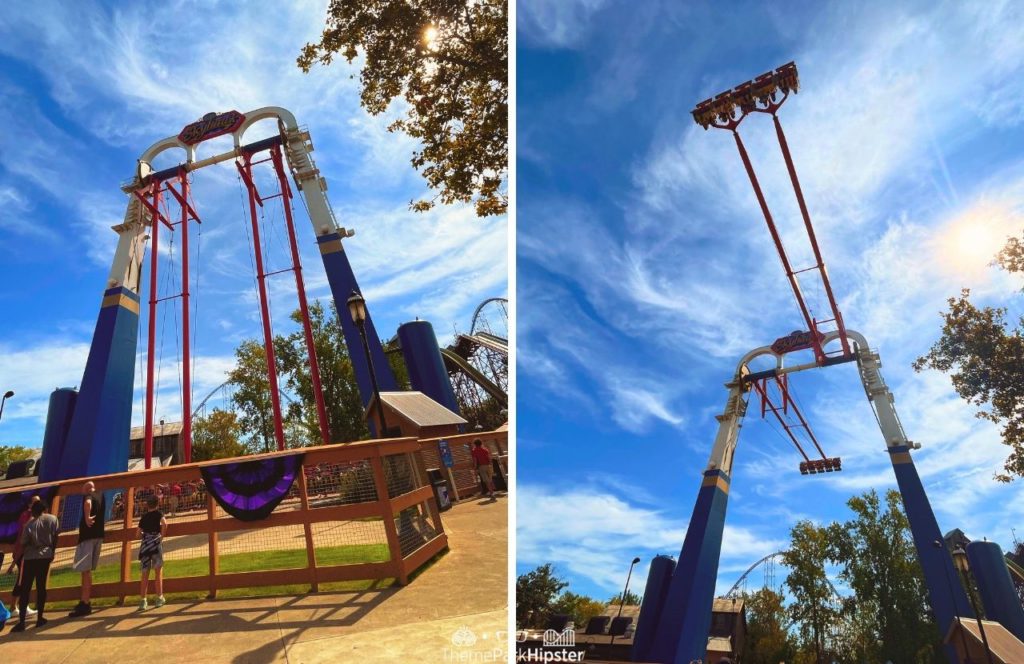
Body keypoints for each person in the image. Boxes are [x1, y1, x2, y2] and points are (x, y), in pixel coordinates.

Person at [12, 500, 58, 632]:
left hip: (30, 557)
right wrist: (52, 551)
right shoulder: (52, 519)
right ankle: (40, 618)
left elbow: (24, 541)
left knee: (25, 588)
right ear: (45, 509)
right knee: (41, 586)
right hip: (45, 555)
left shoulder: (29, 524)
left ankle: (21, 621)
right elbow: (55, 536)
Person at [68, 481, 105, 617]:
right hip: (98, 536)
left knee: (84, 571)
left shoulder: (88, 496)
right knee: (87, 571)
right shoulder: (101, 495)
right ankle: (85, 601)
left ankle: (85, 603)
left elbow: (87, 502)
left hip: (87, 537)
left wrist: (87, 517)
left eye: (83, 490)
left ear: (87, 489)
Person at [6, 495, 40, 620]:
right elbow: (24, 532)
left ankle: (16, 606)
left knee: (24, 580)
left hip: (29, 553)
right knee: (22, 581)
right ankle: (17, 606)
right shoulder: (26, 516)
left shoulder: (36, 516)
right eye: (35, 503)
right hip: (22, 553)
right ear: (30, 505)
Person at [137, 494, 167, 610]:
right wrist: (161, 536)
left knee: (144, 573)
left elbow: (137, 533)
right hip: (155, 545)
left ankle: (143, 601)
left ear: (147, 505)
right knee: (158, 571)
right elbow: (165, 524)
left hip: (145, 547)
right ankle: (159, 598)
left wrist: (145, 536)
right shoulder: (159, 514)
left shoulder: (144, 517)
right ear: (157, 504)